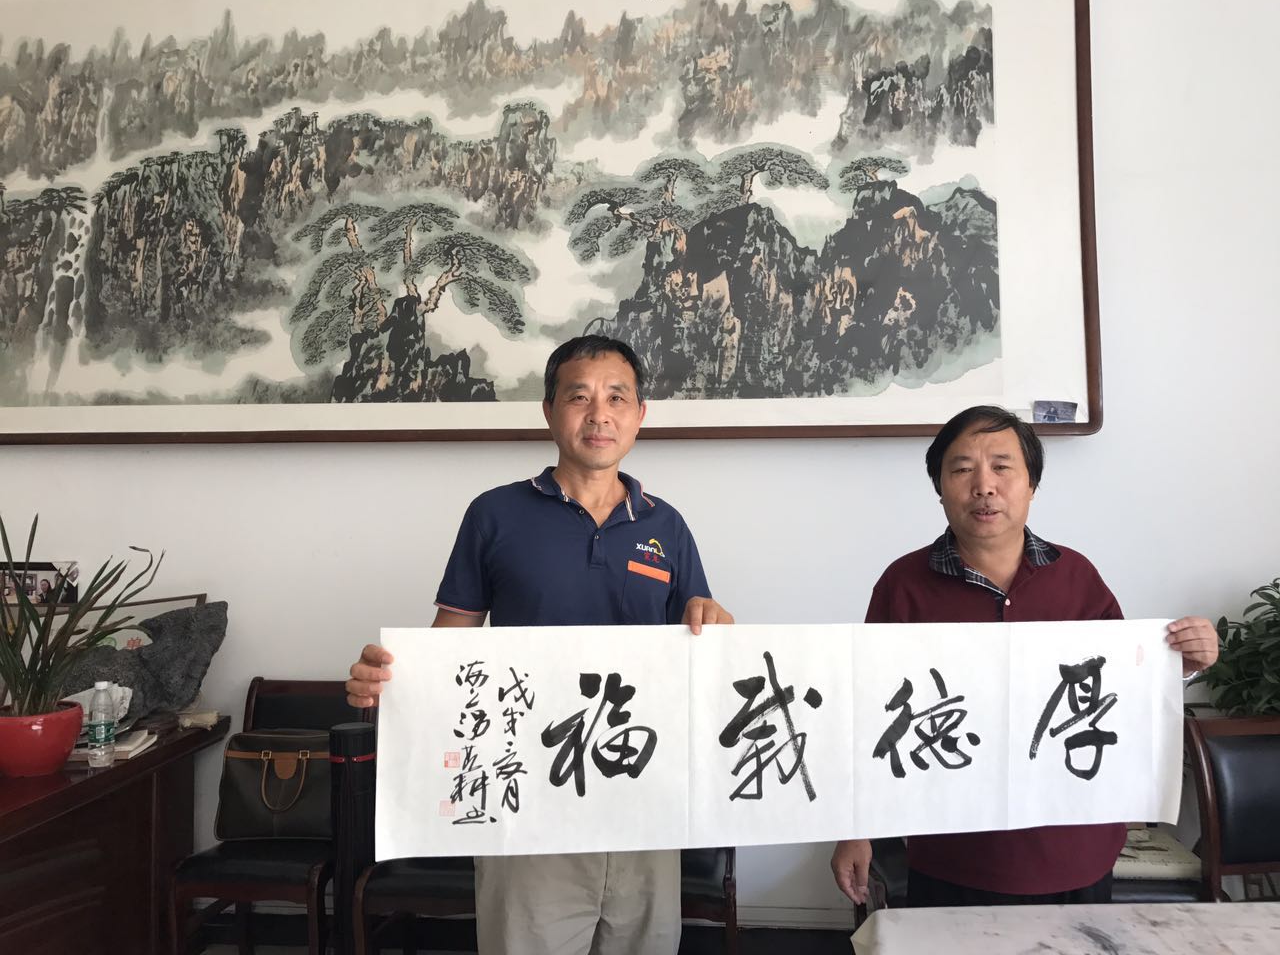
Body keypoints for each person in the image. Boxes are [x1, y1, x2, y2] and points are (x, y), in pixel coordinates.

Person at [346, 335, 734, 955]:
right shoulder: (495, 514)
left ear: (639, 415)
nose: (599, 414)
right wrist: (391, 681)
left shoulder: (666, 525)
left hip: (642, 795)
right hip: (526, 792)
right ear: (549, 411)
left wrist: (713, 623)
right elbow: (451, 643)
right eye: (579, 397)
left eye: (617, 398)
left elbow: (698, 636)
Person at [830, 405, 1219, 908]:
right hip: (953, 852)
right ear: (939, 487)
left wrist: (1179, 665)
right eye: (962, 469)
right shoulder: (903, 585)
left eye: (1002, 467)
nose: (984, 486)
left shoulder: (1077, 577)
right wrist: (854, 828)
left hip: (1076, 847)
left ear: (1032, 484)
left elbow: (1121, 692)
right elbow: (869, 715)